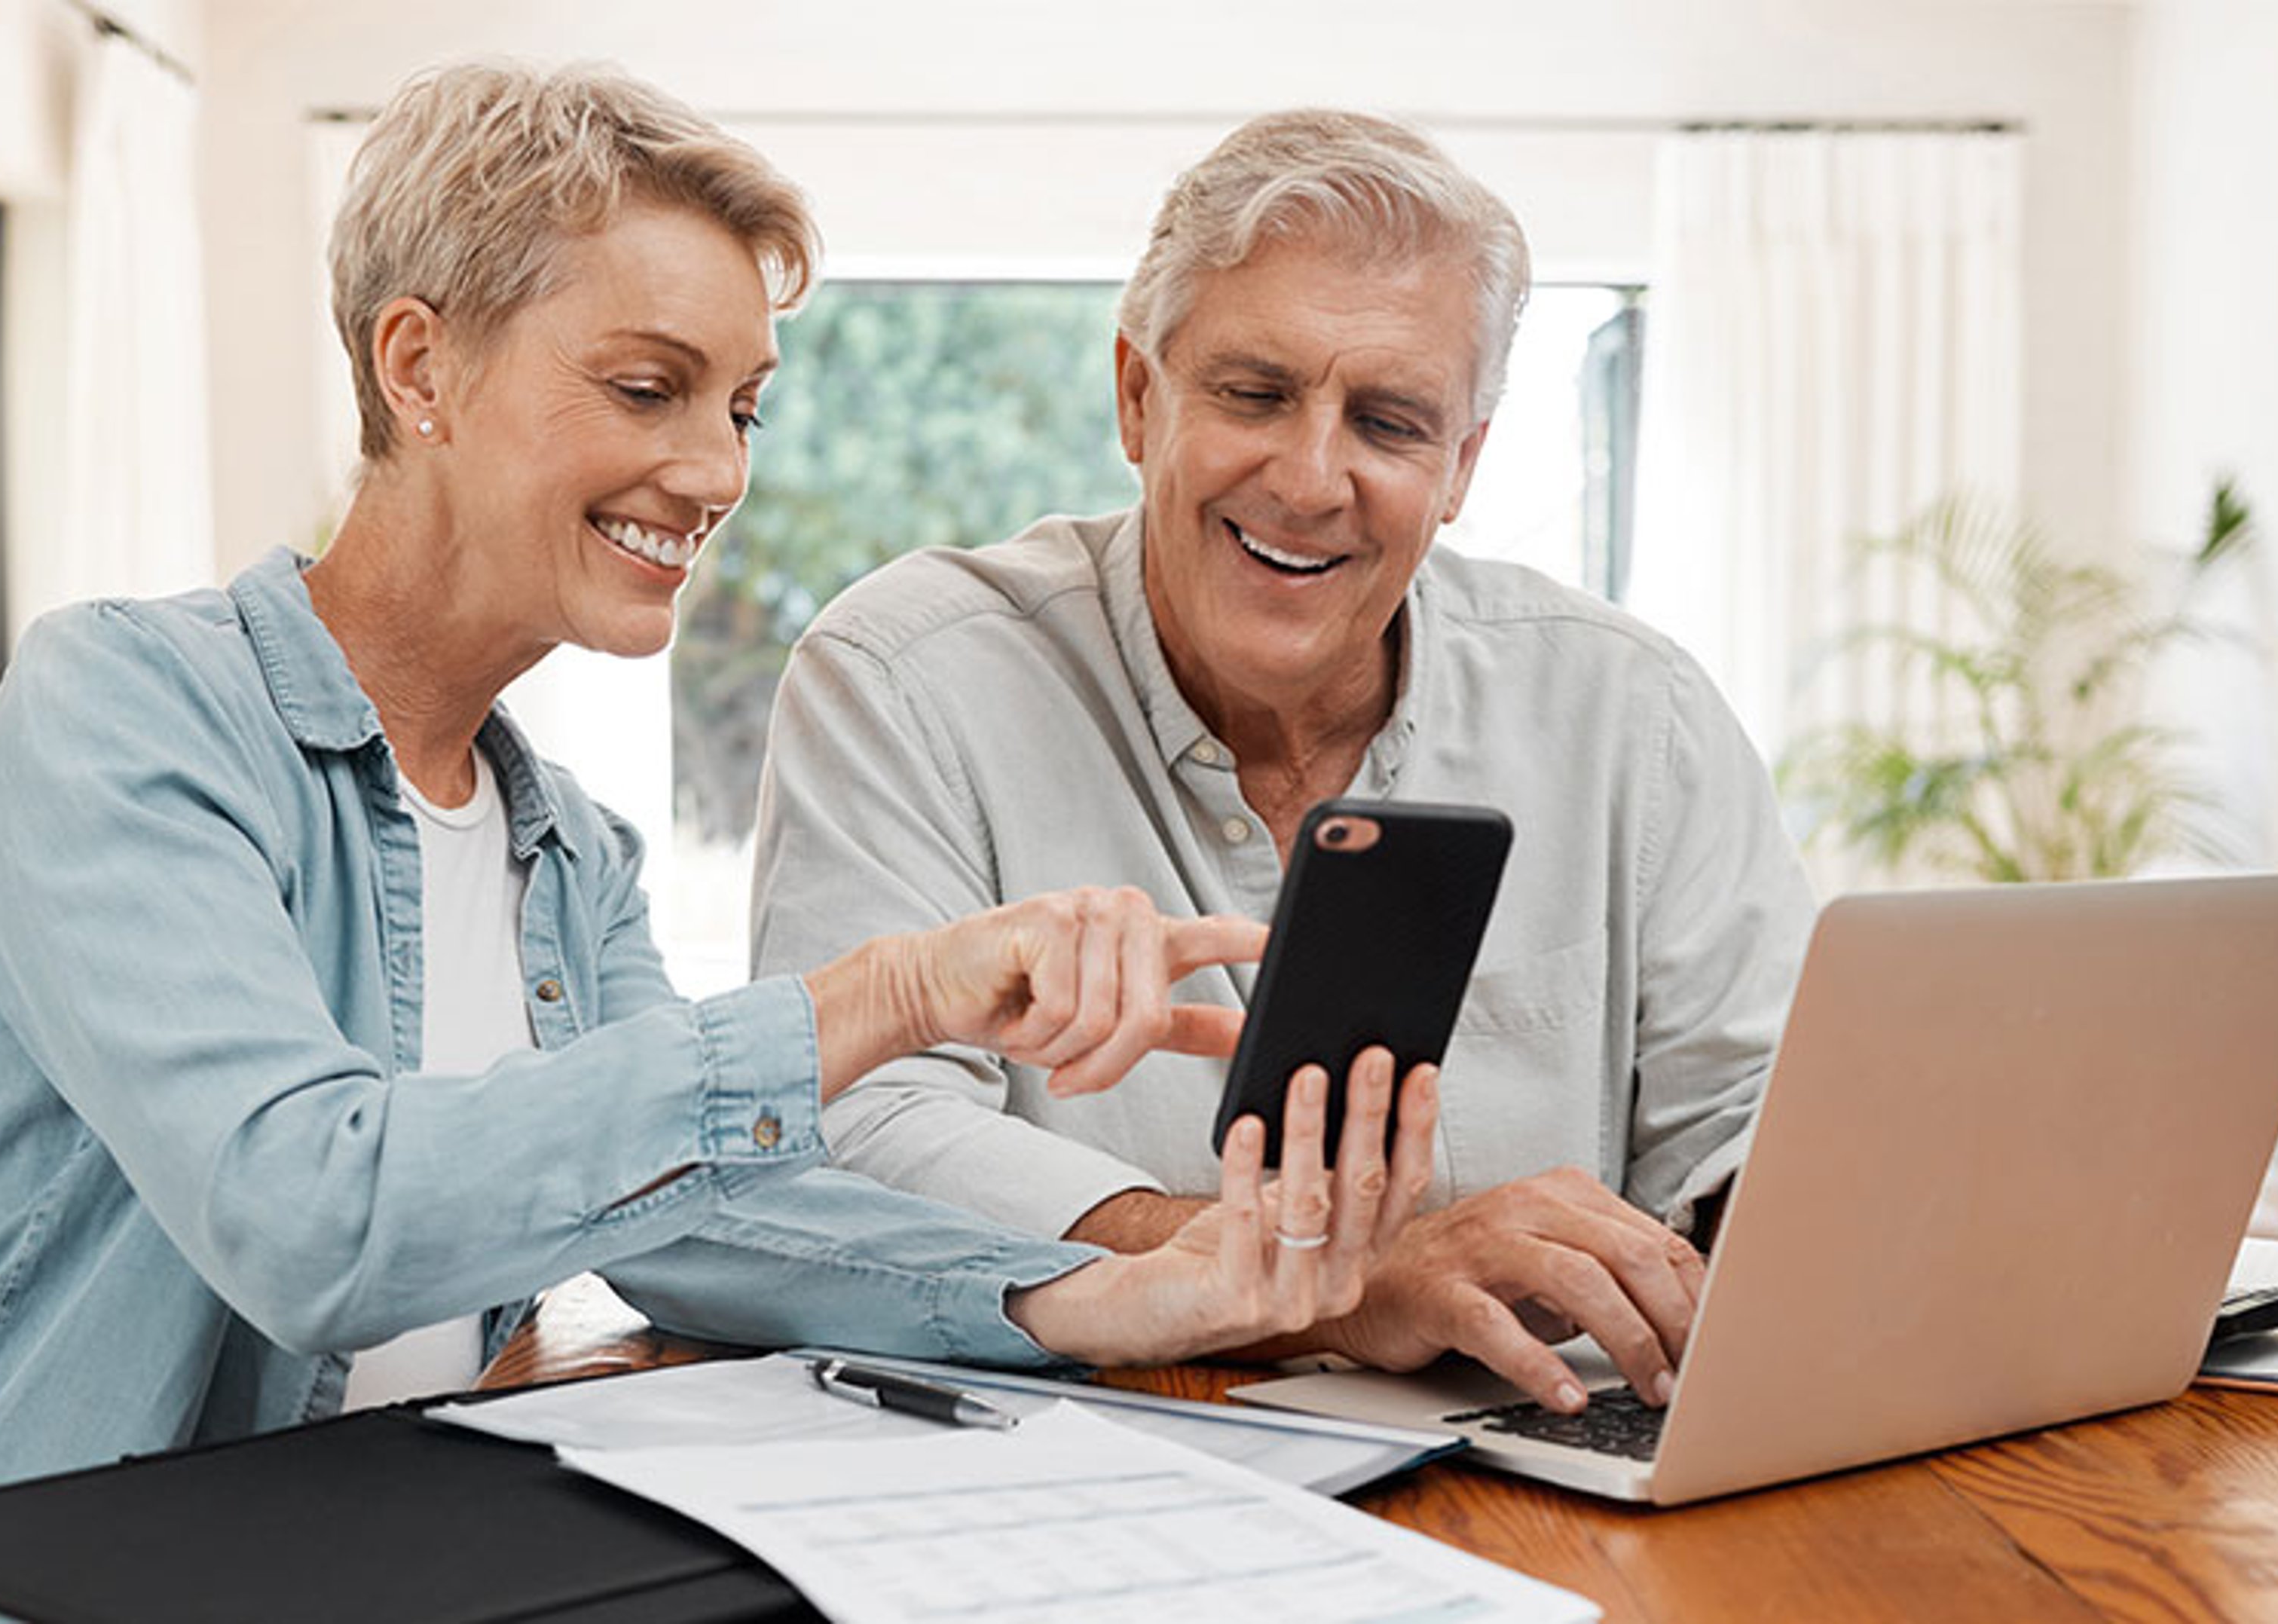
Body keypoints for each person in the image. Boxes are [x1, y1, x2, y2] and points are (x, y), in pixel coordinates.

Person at [0, 66, 1440, 1622]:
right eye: (649, 387)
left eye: (743, 409)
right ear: (419, 368)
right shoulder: (126, 706)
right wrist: (877, 999)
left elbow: (703, 1215)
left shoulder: (568, 850)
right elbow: (307, 1214)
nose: (714, 470)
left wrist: (1107, 1296)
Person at [750, 109, 1816, 1418]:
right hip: (1090, 1469)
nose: (1313, 480)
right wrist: (1318, 1282)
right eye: (1256, 395)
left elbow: (1765, 1113)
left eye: (1390, 421)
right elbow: (841, 1133)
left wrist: (1792, 1207)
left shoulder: (1630, 712)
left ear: (1463, 464)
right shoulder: (910, 677)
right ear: (1139, 397)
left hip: (1542, 1456)